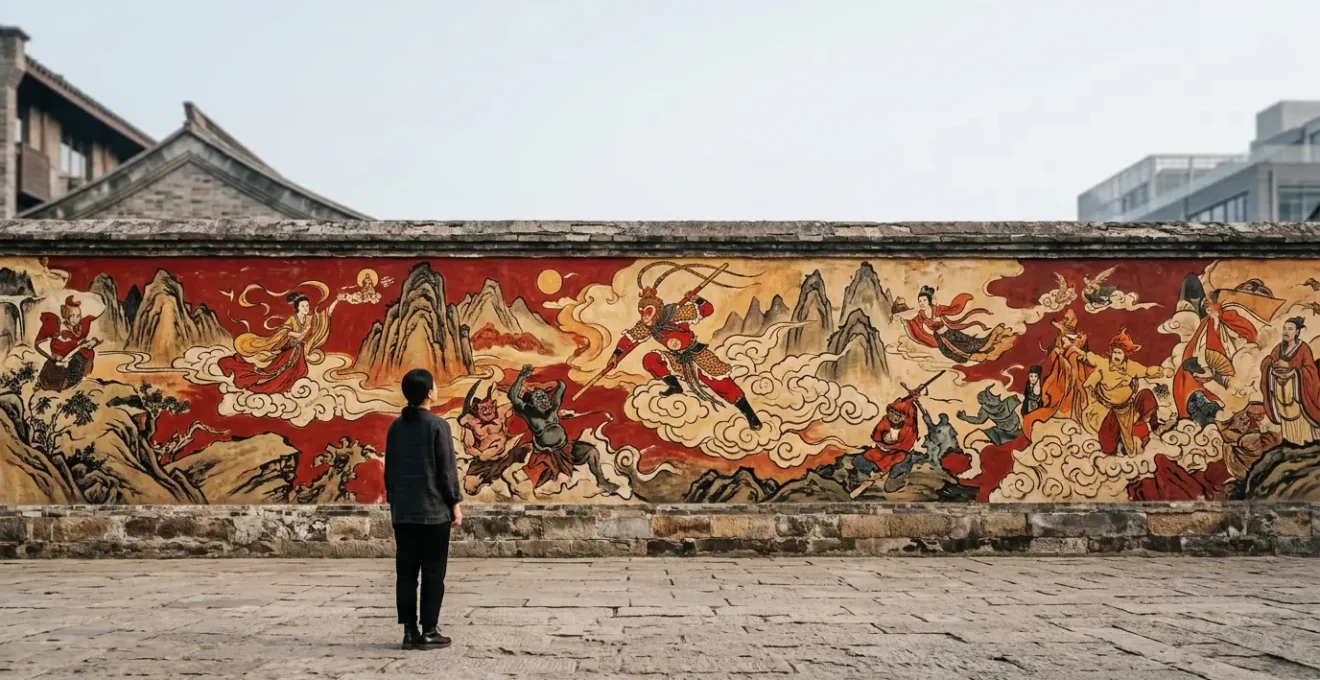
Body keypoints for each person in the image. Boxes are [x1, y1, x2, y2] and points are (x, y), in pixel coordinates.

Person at [384, 368, 463, 651]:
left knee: (406, 574)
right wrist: (455, 505)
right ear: (429, 392)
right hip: (433, 512)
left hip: (404, 513)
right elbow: (446, 470)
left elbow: (389, 470)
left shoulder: (395, 427)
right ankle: (430, 630)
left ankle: (408, 632)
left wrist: (395, 504)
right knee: (432, 573)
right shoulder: (437, 426)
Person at [219, 291, 342, 394]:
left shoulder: (309, 319)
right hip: (289, 352)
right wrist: (302, 333)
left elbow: (324, 316)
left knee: (301, 370)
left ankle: (288, 389)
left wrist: (337, 301)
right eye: (304, 306)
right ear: (297, 307)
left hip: (299, 352)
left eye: (307, 306)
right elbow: (289, 334)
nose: (306, 308)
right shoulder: (292, 320)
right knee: (272, 372)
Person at [1080, 329, 1172, 456]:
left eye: (1120, 353)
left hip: (1129, 408)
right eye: (1115, 352)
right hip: (1108, 409)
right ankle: (1119, 442)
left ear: (1126, 354)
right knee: (1107, 446)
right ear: (1111, 352)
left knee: (1146, 395)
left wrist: (1158, 371)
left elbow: (1145, 371)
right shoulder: (1103, 365)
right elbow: (1090, 376)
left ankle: (1155, 426)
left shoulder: (1131, 366)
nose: (1117, 356)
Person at [1259, 316, 1320, 446]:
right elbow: (1268, 361)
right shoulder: (1279, 348)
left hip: (1298, 395)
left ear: (1297, 332)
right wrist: (1271, 364)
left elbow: (1310, 371)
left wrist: (1290, 366)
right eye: (1284, 329)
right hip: (1282, 394)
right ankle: (1290, 444)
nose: (1286, 332)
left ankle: (1307, 445)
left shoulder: (1304, 349)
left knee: (1302, 426)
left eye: (1290, 329)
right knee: (1286, 425)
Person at [35, 296, 101, 391]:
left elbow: (100, 307)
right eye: (72, 315)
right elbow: (41, 344)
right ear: (66, 315)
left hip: (68, 367)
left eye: (78, 316)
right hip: (55, 365)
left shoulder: (78, 330)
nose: (75, 319)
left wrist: (89, 343)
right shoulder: (58, 329)